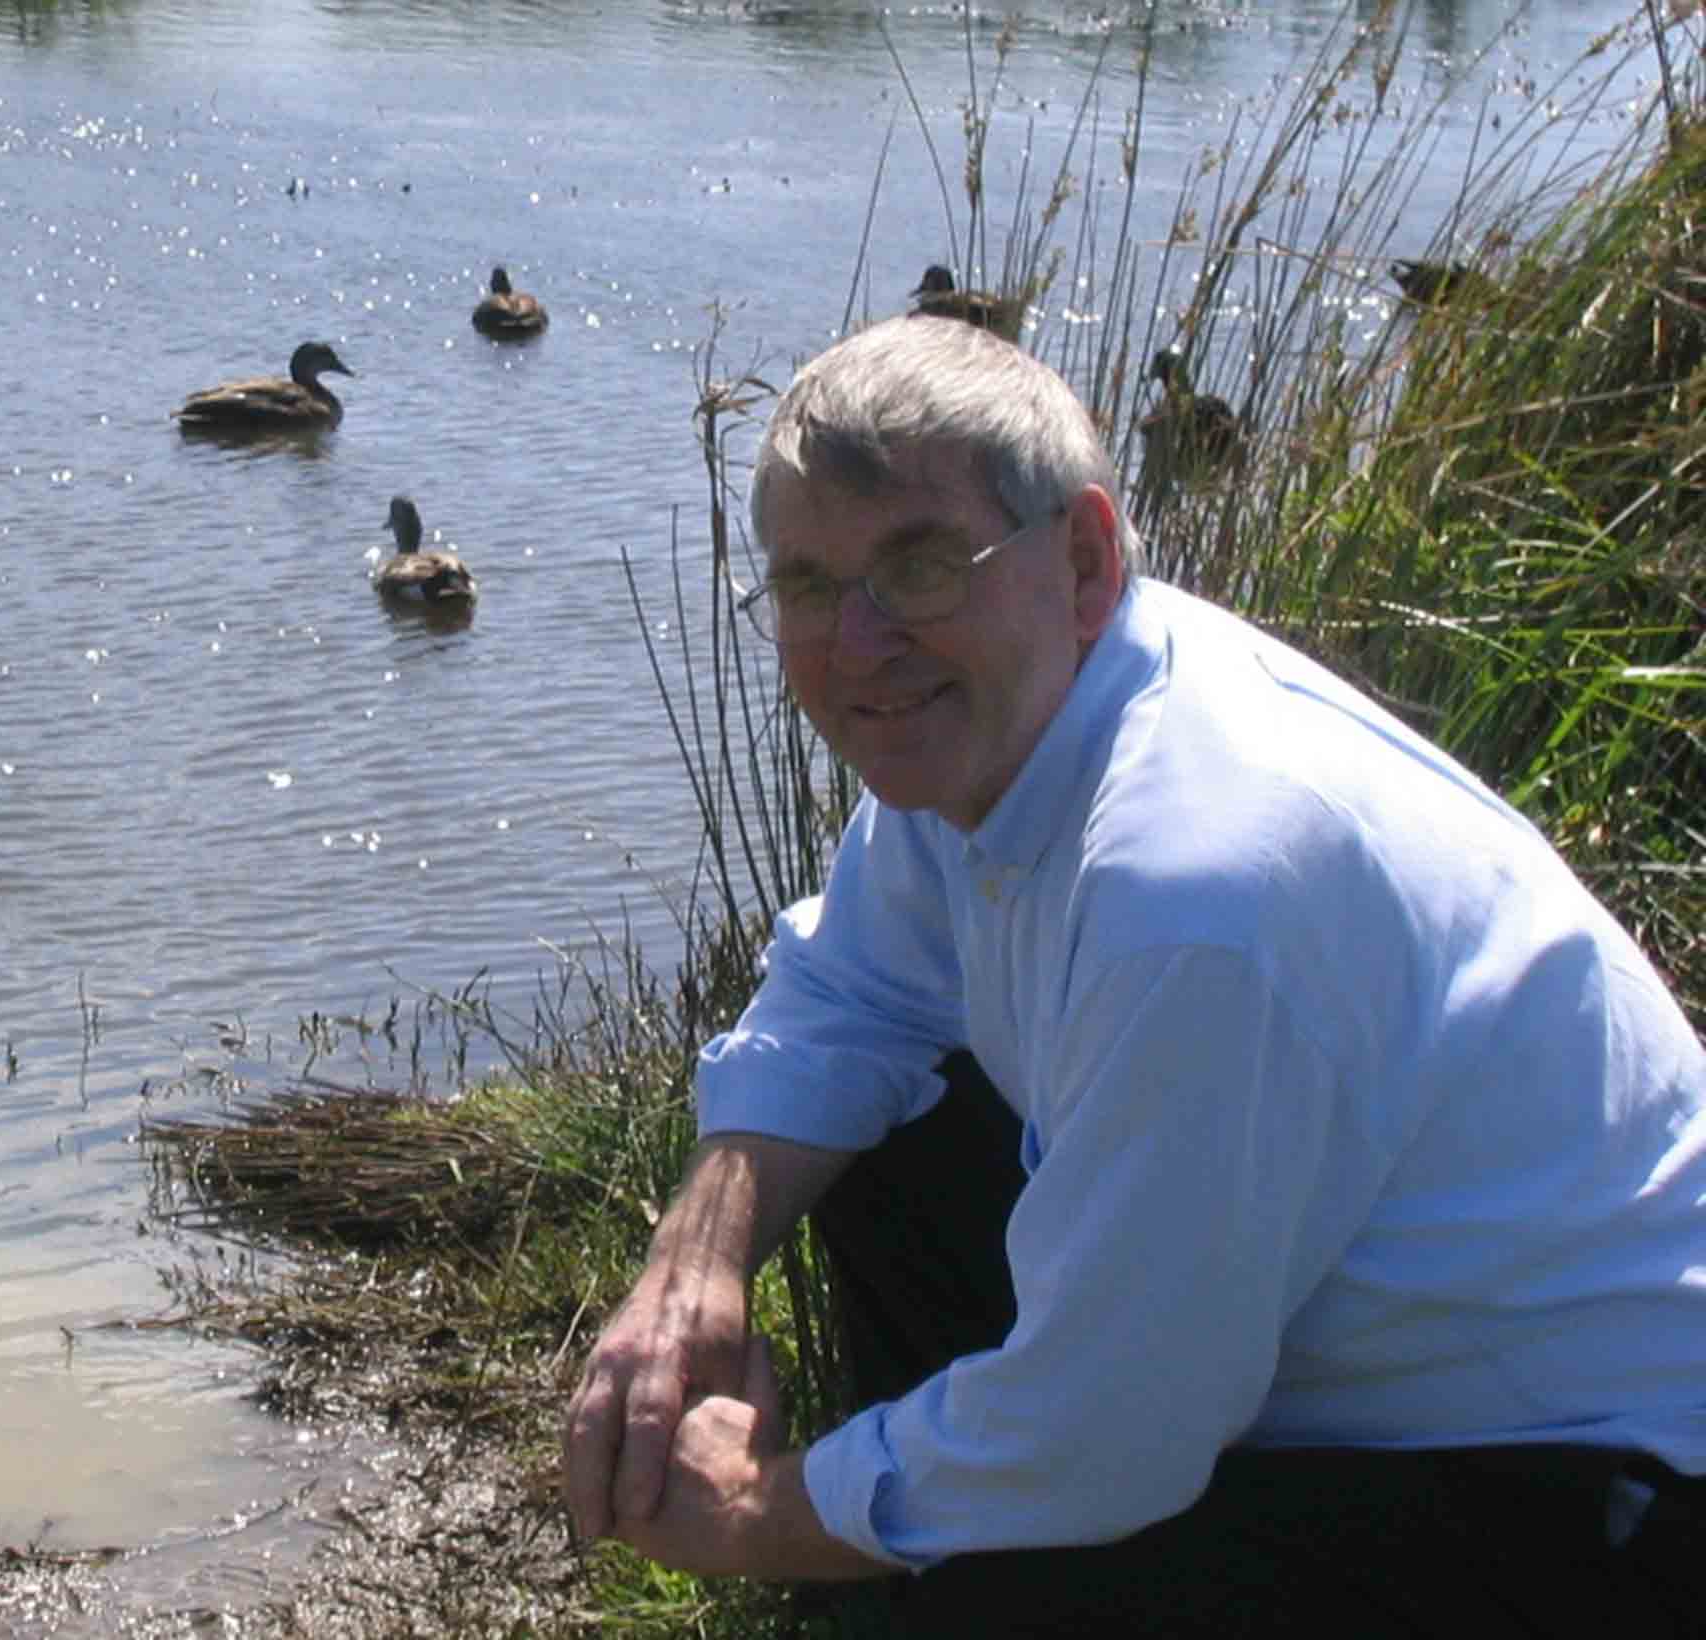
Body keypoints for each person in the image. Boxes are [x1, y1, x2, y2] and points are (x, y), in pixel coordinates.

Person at [561, 313, 1706, 1634]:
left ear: (1087, 556)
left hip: (1606, 1482)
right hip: (1363, 1338)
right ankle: (941, 1555)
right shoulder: (994, 724)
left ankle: (953, 1570)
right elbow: (852, 996)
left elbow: (1101, 1438)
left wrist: (761, 1513)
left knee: (1039, 1559)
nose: (855, 645)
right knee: (890, 1130)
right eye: (808, 584)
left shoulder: (1197, 890)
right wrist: (696, 1261)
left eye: (924, 565)